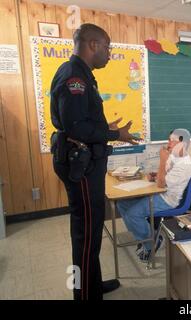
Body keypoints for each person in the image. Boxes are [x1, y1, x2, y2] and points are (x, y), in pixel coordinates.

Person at [50, 24, 139, 300]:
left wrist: (103, 127)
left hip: (85, 164)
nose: (109, 54)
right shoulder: (75, 77)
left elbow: (82, 121)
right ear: (92, 44)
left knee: (89, 233)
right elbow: (76, 127)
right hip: (83, 167)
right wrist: (115, 134)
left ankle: (92, 284)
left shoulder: (81, 75)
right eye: (107, 47)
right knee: (86, 236)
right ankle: (85, 294)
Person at [116, 129, 191, 262]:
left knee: (133, 214)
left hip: (167, 199)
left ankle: (151, 243)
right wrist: (155, 175)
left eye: (172, 141)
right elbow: (162, 177)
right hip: (160, 191)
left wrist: (163, 161)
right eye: (169, 139)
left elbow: (161, 185)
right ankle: (143, 236)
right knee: (121, 204)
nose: (168, 143)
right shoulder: (174, 157)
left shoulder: (185, 165)